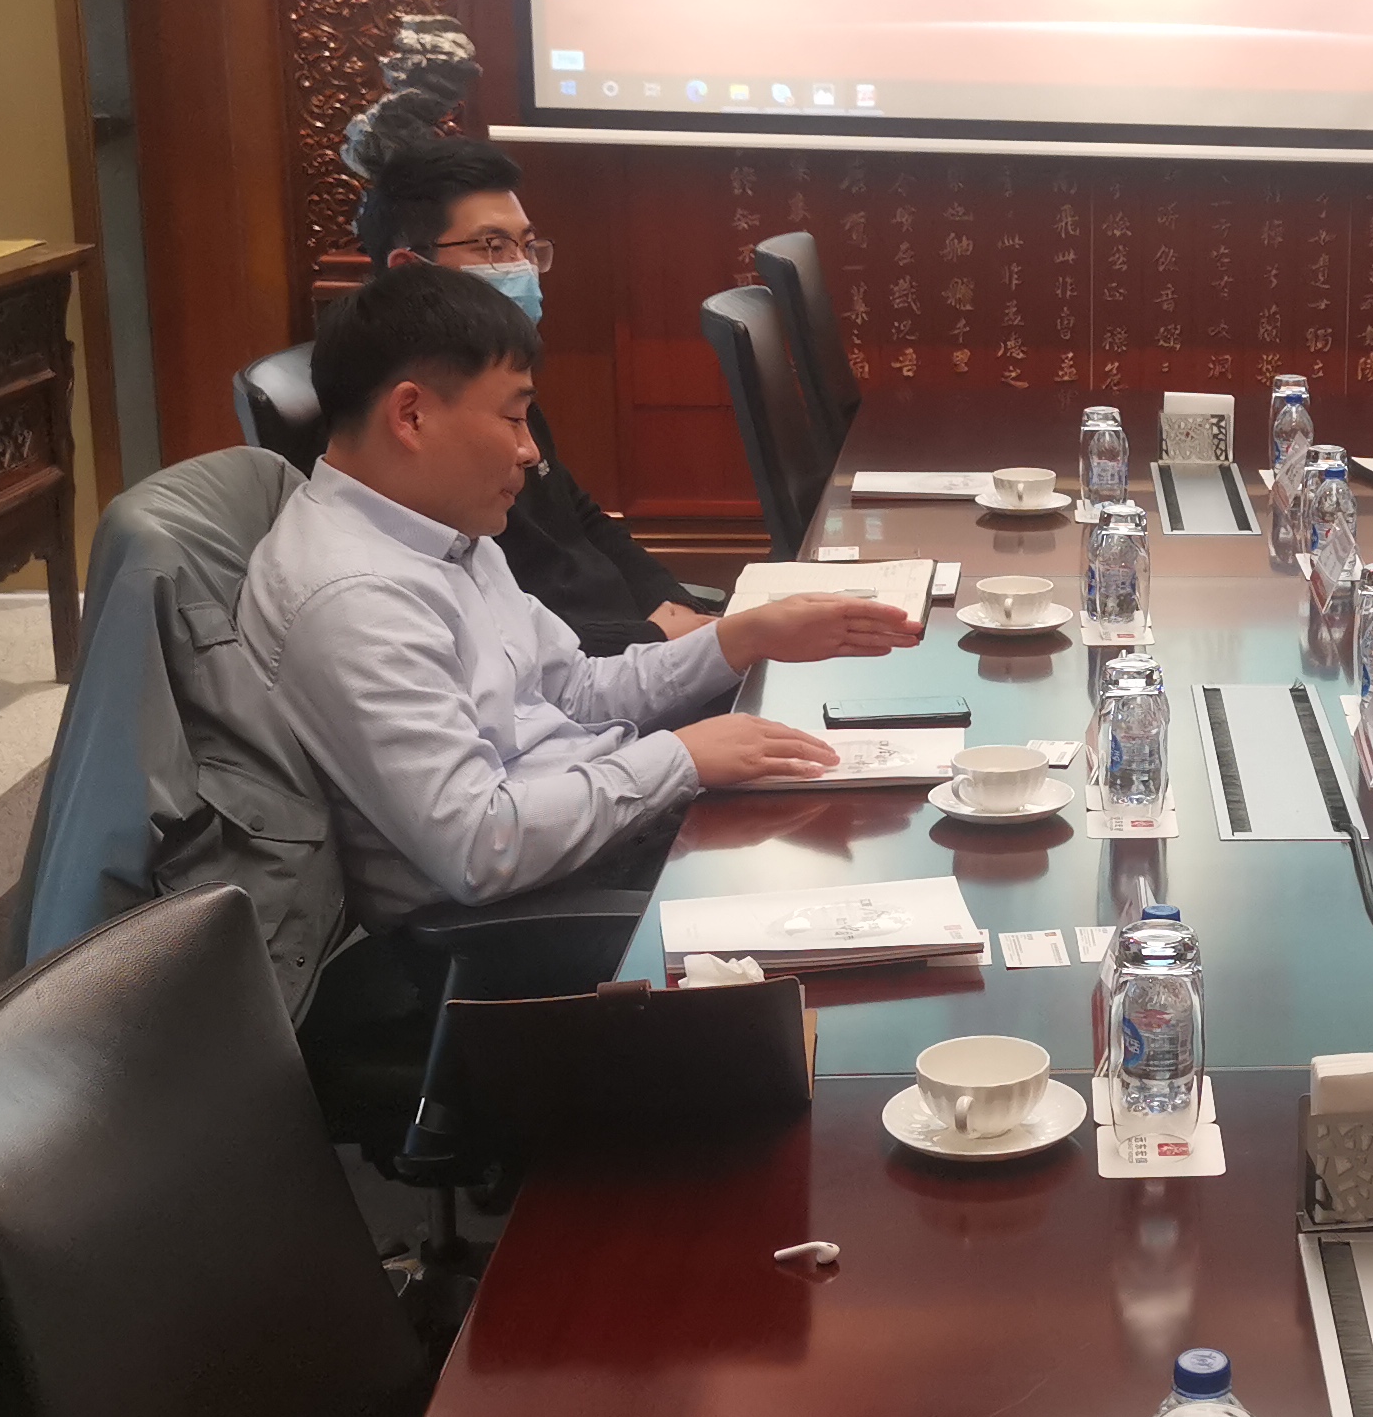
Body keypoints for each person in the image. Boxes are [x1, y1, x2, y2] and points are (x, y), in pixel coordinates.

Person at [241, 265, 917, 922]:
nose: (531, 452)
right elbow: (480, 847)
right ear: (411, 416)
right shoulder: (353, 600)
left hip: (602, 829)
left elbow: (574, 692)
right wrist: (680, 758)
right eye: (513, 418)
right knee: (865, 885)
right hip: (532, 918)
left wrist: (740, 638)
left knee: (878, 823)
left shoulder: (444, 530)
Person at [340, 46, 710, 656]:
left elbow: (581, 518)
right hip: (567, 677)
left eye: (527, 246)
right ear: (409, 268)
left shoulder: (496, 374)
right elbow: (483, 626)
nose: (521, 267)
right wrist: (652, 638)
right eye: (492, 247)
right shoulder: (408, 418)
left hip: (629, 654)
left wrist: (675, 606)